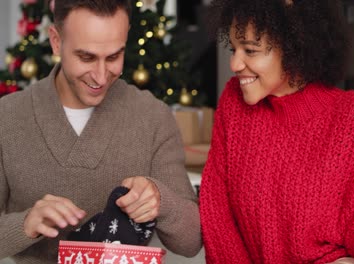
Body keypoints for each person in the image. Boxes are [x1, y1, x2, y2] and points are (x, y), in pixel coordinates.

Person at [199, 0, 354, 263]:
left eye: (251, 50)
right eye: (234, 49)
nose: (235, 64)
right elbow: (217, 216)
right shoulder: (234, 104)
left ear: (295, 46)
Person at [0, 0, 202, 263]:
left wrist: (161, 201)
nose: (100, 76)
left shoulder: (153, 116)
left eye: (114, 56)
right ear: (56, 41)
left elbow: (191, 242)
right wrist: (25, 224)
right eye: (86, 57)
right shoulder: (8, 116)